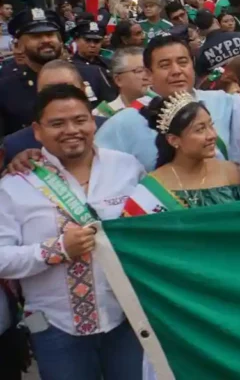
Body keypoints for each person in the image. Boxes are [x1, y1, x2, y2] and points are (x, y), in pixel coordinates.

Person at [0, 84, 146, 380]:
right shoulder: (16, 185)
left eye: (80, 120)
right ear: (37, 131)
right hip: (57, 330)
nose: (71, 130)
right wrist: (58, 249)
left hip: (127, 321)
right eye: (57, 123)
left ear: (93, 121)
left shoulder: (127, 168)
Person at [93, 35, 240, 171]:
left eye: (183, 62)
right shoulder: (125, 122)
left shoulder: (224, 102)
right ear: (148, 74)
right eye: (165, 65)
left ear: (193, 65)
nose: (176, 71)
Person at [121, 93, 240, 216]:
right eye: (200, 129)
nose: (212, 135)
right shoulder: (153, 188)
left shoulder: (230, 172)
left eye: (211, 125)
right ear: (174, 140)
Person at [0, 10, 115, 137]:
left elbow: (114, 118)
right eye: (36, 36)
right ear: (19, 45)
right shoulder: (6, 88)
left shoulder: (93, 74)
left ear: (60, 40)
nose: (45, 40)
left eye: (50, 34)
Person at [93, 47, 151, 118]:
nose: (147, 76)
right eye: (139, 71)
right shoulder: (102, 115)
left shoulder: (163, 107)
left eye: (149, 70)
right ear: (118, 80)